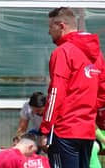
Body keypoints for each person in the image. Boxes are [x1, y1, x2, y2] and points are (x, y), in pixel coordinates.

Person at [39, 7, 105, 168]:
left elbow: (56, 92)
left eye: (50, 27)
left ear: (61, 26)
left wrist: (45, 129)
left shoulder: (63, 52)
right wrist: (100, 122)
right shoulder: (97, 55)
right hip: (87, 133)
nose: (49, 32)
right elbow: (102, 94)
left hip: (64, 131)